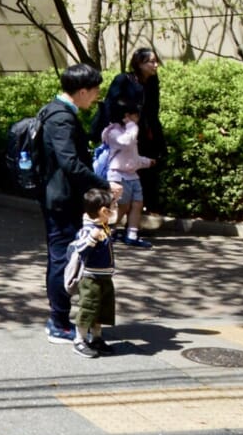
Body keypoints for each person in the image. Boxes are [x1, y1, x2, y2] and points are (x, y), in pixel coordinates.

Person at [38, 63, 108, 343]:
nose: (96, 97)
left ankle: (58, 318)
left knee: (61, 257)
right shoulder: (61, 118)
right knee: (62, 259)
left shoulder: (52, 110)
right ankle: (58, 322)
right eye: (94, 92)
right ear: (81, 91)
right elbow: (69, 162)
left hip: (57, 195)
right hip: (62, 199)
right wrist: (101, 185)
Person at [102, 48, 163, 208]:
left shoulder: (152, 82)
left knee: (148, 171)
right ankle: (120, 211)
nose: (156, 65)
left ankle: (145, 211)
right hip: (124, 134)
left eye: (156, 62)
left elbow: (153, 110)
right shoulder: (123, 80)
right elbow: (109, 105)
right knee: (126, 173)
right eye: (151, 62)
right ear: (139, 63)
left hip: (145, 133)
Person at [64, 187, 117, 358]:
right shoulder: (89, 230)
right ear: (103, 211)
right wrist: (92, 238)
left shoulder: (102, 225)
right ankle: (79, 340)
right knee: (89, 308)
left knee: (101, 308)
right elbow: (80, 249)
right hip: (90, 278)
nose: (115, 209)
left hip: (104, 276)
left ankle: (96, 338)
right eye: (112, 207)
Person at [98, 94, 155, 249]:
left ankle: (132, 234)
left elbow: (131, 156)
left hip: (132, 174)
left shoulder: (128, 131)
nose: (137, 118)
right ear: (126, 115)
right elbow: (125, 142)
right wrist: (132, 125)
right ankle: (106, 229)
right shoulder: (113, 132)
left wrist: (145, 162)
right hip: (117, 174)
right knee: (121, 206)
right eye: (134, 115)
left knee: (137, 204)